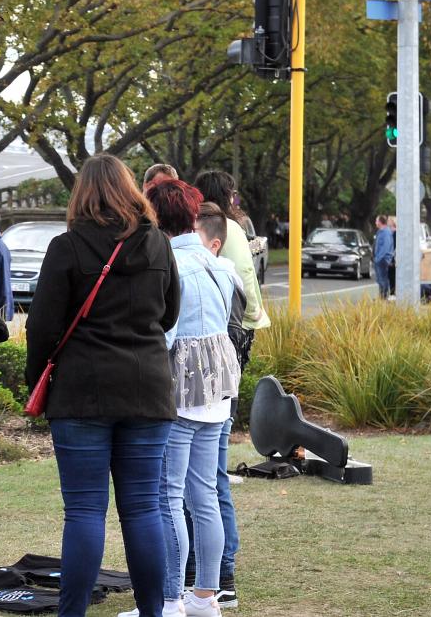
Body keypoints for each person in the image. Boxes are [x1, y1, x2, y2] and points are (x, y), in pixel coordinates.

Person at [26, 154, 180, 617]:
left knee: (85, 511)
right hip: (148, 387)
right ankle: (153, 611)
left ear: (82, 193)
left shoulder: (67, 247)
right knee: (143, 509)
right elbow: (169, 313)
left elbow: (42, 326)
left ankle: (71, 613)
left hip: (82, 391)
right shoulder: (158, 245)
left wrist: (37, 381)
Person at [144, 182, 241, 617]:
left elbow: (162, 337)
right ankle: (204, 597)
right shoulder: (218, 263)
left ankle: (169, 600)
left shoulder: (169, 265)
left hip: (180, 388)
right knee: (203, 496)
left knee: (168, 496)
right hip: (219, 386)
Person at [192, 170, 269, 609]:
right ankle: (216, 573)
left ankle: (218, 574)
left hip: (214, 367)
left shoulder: (223, 236)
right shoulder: (240, 229)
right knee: (209, 478)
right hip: (228, 362)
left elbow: (241, 296)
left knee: (205, 480)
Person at [374, 215, 394, 300]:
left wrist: (379, 257)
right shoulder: (380, 232)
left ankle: (384, 296)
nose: (375, 222)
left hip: (383, 259)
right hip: (379, 259)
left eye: (376, 220)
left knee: (383, 278)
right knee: (380, 278)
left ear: (380, 222)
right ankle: (381, 295)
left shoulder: (386, 232)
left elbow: (386, 246)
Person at [387, 216, 397, 298]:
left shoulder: (395, 233)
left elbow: (394, 246)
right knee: (390, 276)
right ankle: (391, 292)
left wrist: (392, 258)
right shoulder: (390, 232)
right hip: (390, 257)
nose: (387, 222)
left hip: (393, 257)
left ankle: (393, 293)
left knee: (392, 275)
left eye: (389, 220)